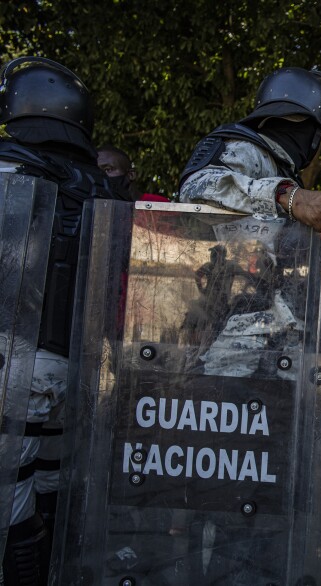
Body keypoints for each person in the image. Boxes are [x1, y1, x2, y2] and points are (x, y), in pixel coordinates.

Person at [0, 56, 129, 583]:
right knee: (51, 477)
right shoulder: (102, 189)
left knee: (11, 485)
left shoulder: (9, 168)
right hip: (78, 368)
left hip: (13, 360)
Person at [179, 66, 321, 231]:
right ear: (311, 132)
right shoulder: (248, 149)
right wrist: (290, 197)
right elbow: (195, 188)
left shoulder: (281, 168)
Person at [96, 144, 169, 202]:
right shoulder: (96, 208)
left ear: (131, 175)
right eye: (97, 171)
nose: (101, 175)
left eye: (107, 170)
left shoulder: (158, 203)